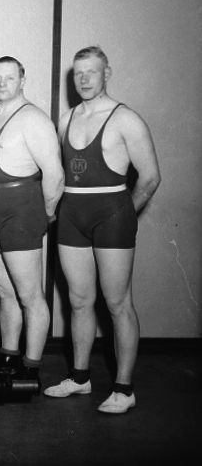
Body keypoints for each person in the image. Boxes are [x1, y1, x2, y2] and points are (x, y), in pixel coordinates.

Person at [45, 47, 161, 413]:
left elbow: (150, 177)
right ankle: (80, 378)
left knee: (117, 303)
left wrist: (123, 214)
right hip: (72, 216)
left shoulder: (126, 119)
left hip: (112, 214)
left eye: (91, 72)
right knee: (79, 301)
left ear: (106, 74)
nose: (83, 79)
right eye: (78, 73)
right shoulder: (66, 119)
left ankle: (124, 389)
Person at [0, 56, 64, 387]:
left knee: (30, 296)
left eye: (9, 78)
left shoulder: (32, 118)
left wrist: (47, 213)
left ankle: (30, 370)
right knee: (5, 291)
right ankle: (8, 359)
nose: (2, 84)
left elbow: (55, 175)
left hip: (21, 214)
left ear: (22, 81)